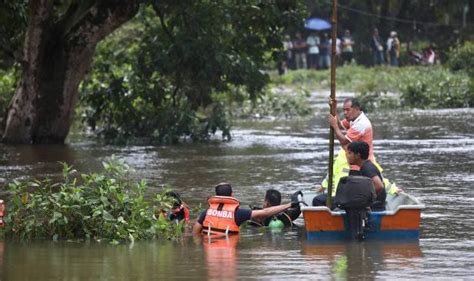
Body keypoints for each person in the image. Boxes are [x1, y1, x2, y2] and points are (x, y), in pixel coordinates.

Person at [193, 183, 299, 236]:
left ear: (216, 196)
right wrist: (290, 204)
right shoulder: (238, 213)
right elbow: (265, 212)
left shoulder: (206, 213)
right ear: (231, 195)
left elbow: (195, 234)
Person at [313, 141, 386, 211]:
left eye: (349, 153)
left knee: (318, 200)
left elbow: (379, 186)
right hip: (363, 202)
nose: (347, 156)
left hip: (374, 206)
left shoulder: (367, 168)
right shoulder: (364, 166)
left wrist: (365, 202)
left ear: (358, 155)